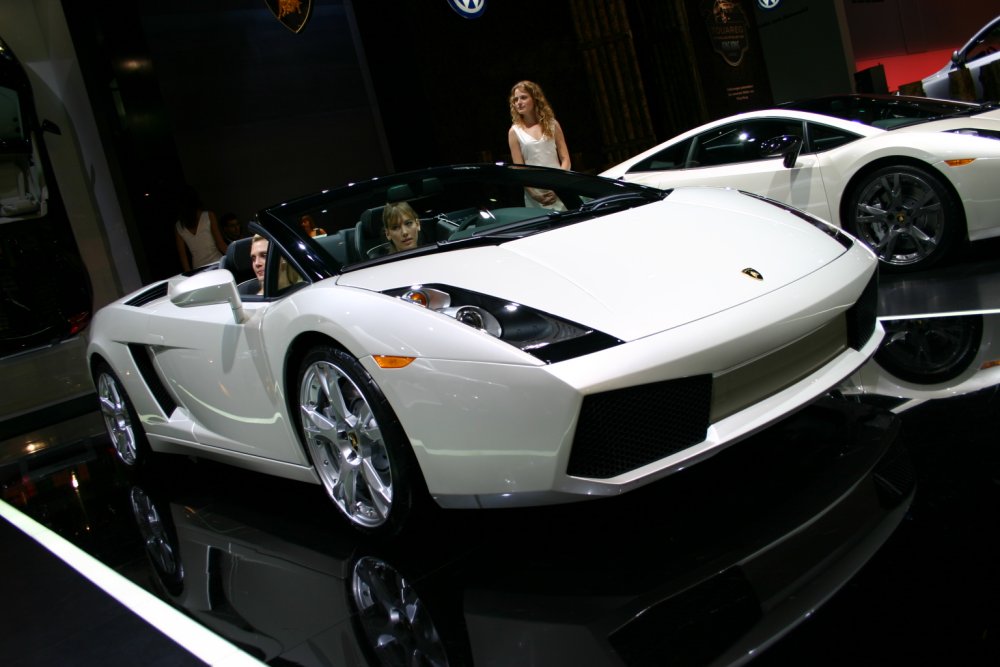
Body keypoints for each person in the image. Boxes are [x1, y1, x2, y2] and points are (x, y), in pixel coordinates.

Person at [507, 80, 571, 210]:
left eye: (523, 97)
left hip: (559, 187)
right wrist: (534, 195)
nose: (518, 102)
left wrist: (560, 186)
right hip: (535, 195)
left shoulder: (552, 124)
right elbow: (519, 170)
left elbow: (565, 159)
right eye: (515, 99)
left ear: (535, 98)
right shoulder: (514, 132)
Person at [174, 188, 227, 272]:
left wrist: (189, 273)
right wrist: (234, 258)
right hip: (217, 263)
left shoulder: (179, 226)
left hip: (199, 268)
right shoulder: (208, 216)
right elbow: (220, 243)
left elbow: (182, 256)